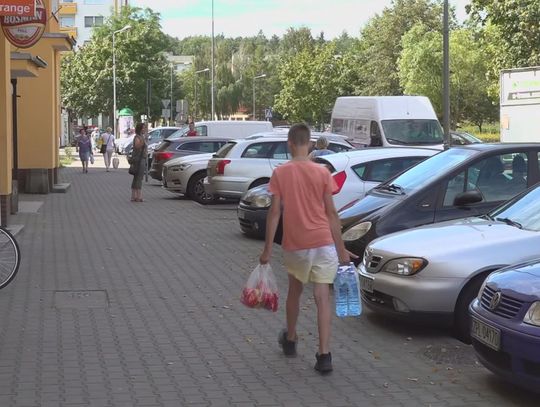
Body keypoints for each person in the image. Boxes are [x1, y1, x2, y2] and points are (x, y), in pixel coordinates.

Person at [259, 123, 356, 374]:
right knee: (322, 297)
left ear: (290, 143)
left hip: (296, 244)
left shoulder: (281, 173)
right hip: (324, 243)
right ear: (310, 143)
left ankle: (290, 339)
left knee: (295, 291)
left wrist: (268, 249)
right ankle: (324, 355)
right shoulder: (323, 173)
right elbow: (332, 214)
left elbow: (274, 213)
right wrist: (342, 250)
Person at [129, 122, 147, 202]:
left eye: (145, 128)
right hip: (139, 159)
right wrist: (144, 141)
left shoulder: (140, 137)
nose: (144, 129)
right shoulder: (138, 137)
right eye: (143, 128)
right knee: (139, 177)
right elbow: (137, 146)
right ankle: (138, 196)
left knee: (136, 177)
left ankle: (133, 196)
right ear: (139, 129)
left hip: (140, 158)